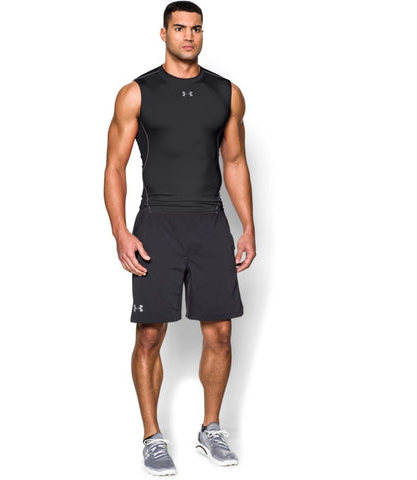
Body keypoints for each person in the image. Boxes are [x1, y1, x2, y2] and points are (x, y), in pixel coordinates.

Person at [104, 1, 256, 475]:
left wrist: (248, 225)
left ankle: (211, 429)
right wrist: (120, 231)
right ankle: (152, 437)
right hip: (157, 224)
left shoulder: (226, 93)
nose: (189, 36)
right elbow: (114, 167)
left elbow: (234, 162)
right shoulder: (136, 93)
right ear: (164, 33)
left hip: (210, 222)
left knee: (221, 333)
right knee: (150, 335)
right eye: (179, 28)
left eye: (196, 28)